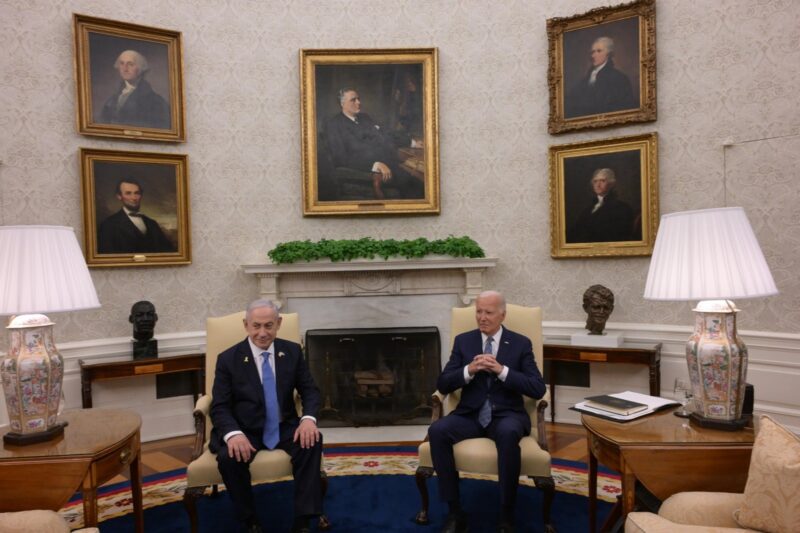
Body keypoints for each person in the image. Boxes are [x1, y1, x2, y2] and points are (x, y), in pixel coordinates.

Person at [428, 291, 546, 533]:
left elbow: (537, 388)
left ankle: (506, 514)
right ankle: (454, 511)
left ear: (502, 315)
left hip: (507, 414)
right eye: (478, 311)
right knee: (437, 430)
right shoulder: (464, 341)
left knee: (508, 433)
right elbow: (443, 383)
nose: (482, 317)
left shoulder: (521, 343)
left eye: (488, 312)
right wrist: (469, 370)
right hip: (470, 415)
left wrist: (502, 371)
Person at [210, 300, 323, 533]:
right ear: (246, 325)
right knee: (228, 458)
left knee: (312, 441)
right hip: (245, 429)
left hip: (283, 425)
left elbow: (310, 390)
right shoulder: (228, 359)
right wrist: (233, 434)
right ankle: (249, 519)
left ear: (278, 324)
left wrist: (308, 419)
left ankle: (303, 518)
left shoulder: (292, 352)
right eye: (256, 326)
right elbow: (219, 406)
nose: (262, 333)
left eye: (269, 325)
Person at [322, 87, 424, 200]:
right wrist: (374, 165)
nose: (358, 102)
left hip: (391, 164)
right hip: (369, 172)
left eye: (358, 99)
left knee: (419, 180)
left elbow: (386, 134)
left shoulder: (365, 118)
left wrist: (412, 142)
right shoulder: (334, 125)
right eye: (353, 100)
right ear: (343, 104)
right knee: (416, 186)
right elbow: (340, 158)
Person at [97, 178, 176, 254]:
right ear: (119, 196)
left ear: (141, 195)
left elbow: (168, 252)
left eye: (137, 193)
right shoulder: (108, 225)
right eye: (128, 193)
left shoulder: (152, 224)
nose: (134, 198)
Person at [565, 36, 636, 118]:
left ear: (608, 54)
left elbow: (625, 108)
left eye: (599, 51)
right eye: (592, 52)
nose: (593, 55)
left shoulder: (619, 78)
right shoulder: (585, 79)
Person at [98, 49, 171, 129]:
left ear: (140, 69)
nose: (125, 69)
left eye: (130, 64)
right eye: (122, 63)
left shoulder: (156, 102)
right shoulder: (112, 100)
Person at [567, 168, 638, 243]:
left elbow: (619, 235)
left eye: (602, 181)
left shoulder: (622, 208)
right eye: (595, 181)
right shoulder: (587, 210)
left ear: (611, 184)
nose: (598, 185)